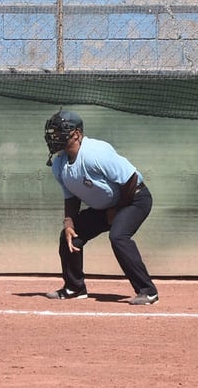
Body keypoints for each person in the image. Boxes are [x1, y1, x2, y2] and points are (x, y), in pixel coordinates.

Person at [43, 110, 158, 305]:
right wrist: (69, 222)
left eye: (61, 132)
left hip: (134, 199)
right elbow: (71, 196)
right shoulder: (59, 165)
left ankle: (148, 291)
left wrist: (116, 210)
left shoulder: (95, 153)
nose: (55, 137)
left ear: (77, 134)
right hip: (106, 207)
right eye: (53, 133)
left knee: (119, 236)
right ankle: (74, 288)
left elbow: (129, 181)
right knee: (70, 236)